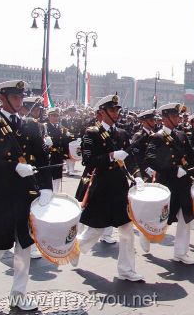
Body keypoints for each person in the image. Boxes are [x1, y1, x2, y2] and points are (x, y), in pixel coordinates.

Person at [0, 80, 53, 310]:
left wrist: (46, 187)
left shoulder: (30, 125)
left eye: (21, 97)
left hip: (25, 195)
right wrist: (12, 167)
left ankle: (18, 296)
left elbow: (41, 158)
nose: (19, 101)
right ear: (2, 98)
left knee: (24, 247)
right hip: (1, 196)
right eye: (15, 97)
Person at [76, 94, 144, 282]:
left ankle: (126, 270)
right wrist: (111, 155)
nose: (116, 113)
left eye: (117, 109)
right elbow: (88, 161)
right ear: (101, 113)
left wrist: (138, 177)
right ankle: (76, 249)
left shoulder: (122, 133)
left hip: (120, 187)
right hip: (102, 187)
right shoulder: (92, 133)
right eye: (112, 110)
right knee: (95, 230)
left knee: (126, 230)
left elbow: (131, 160)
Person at [145, 102, 194, 264]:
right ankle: (145, 234)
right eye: (175, 116)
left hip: (182, 184)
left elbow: (193, 156)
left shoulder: (181, 135)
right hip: (167, 184)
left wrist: (193, 172)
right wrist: (173, 169)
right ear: (165, 118)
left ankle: (180, 252)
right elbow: (151, 159)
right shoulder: (157, 137)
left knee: (185, 217)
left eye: (178, 115)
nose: (178, 118)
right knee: (161, 219)